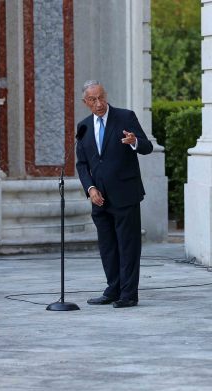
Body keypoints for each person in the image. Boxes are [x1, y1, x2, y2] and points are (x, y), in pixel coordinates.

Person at [76, 80, 153, 308]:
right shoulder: (84, 127)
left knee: (128, 245)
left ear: (105, 95)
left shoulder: (125, 117)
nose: (99, 103)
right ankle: (113, 289)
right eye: (93, 100)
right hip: (99, 198)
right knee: (108, 247)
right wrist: (90, 189)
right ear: (86, 102)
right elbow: (82, 164)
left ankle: (128, 294)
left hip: (125, 194)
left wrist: (134, 141)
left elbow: (147, 147)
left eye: (101, 97)